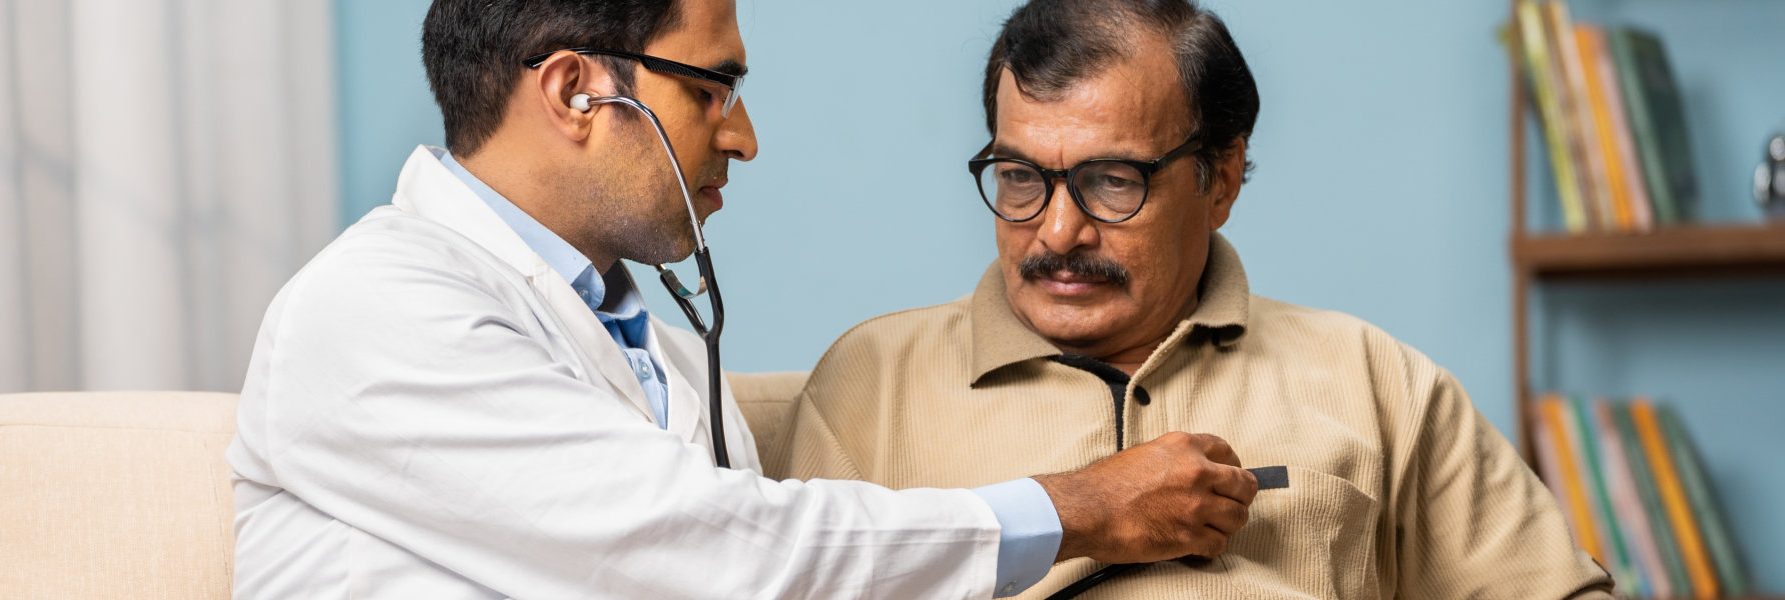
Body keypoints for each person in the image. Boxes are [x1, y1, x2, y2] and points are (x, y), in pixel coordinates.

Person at [224, 0, 1265, 597]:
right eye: (712, 88)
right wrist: (1078, 507)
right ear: (578, 92)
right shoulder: (368, 311)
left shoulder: (673, 362)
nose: (743, 135)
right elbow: (723, 555)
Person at [780, 0, 1617, 598]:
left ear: (1218, 180)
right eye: (1021, 177)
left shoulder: (1376, 379)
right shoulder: (870, 386)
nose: (1058, 230)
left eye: (1113, 181)